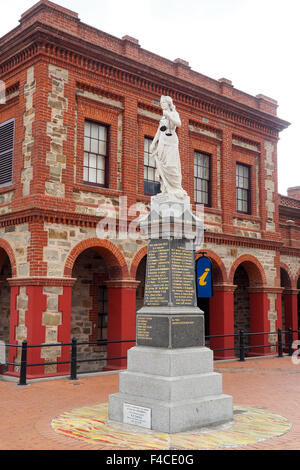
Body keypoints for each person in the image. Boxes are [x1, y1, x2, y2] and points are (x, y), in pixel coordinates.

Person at [150, 96, 187, 199]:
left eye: (164, 103)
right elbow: (159, 131)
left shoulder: (174, 113)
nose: (162, 105)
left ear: (169, 103)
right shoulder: (162, 118)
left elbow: (179, 124)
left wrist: (169, 115)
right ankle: (165, 188)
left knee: (171, 165)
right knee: (162, 164)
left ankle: (176, 188)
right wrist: (153, 143)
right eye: (161, 103)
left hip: (171, 141)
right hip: (162, 141)